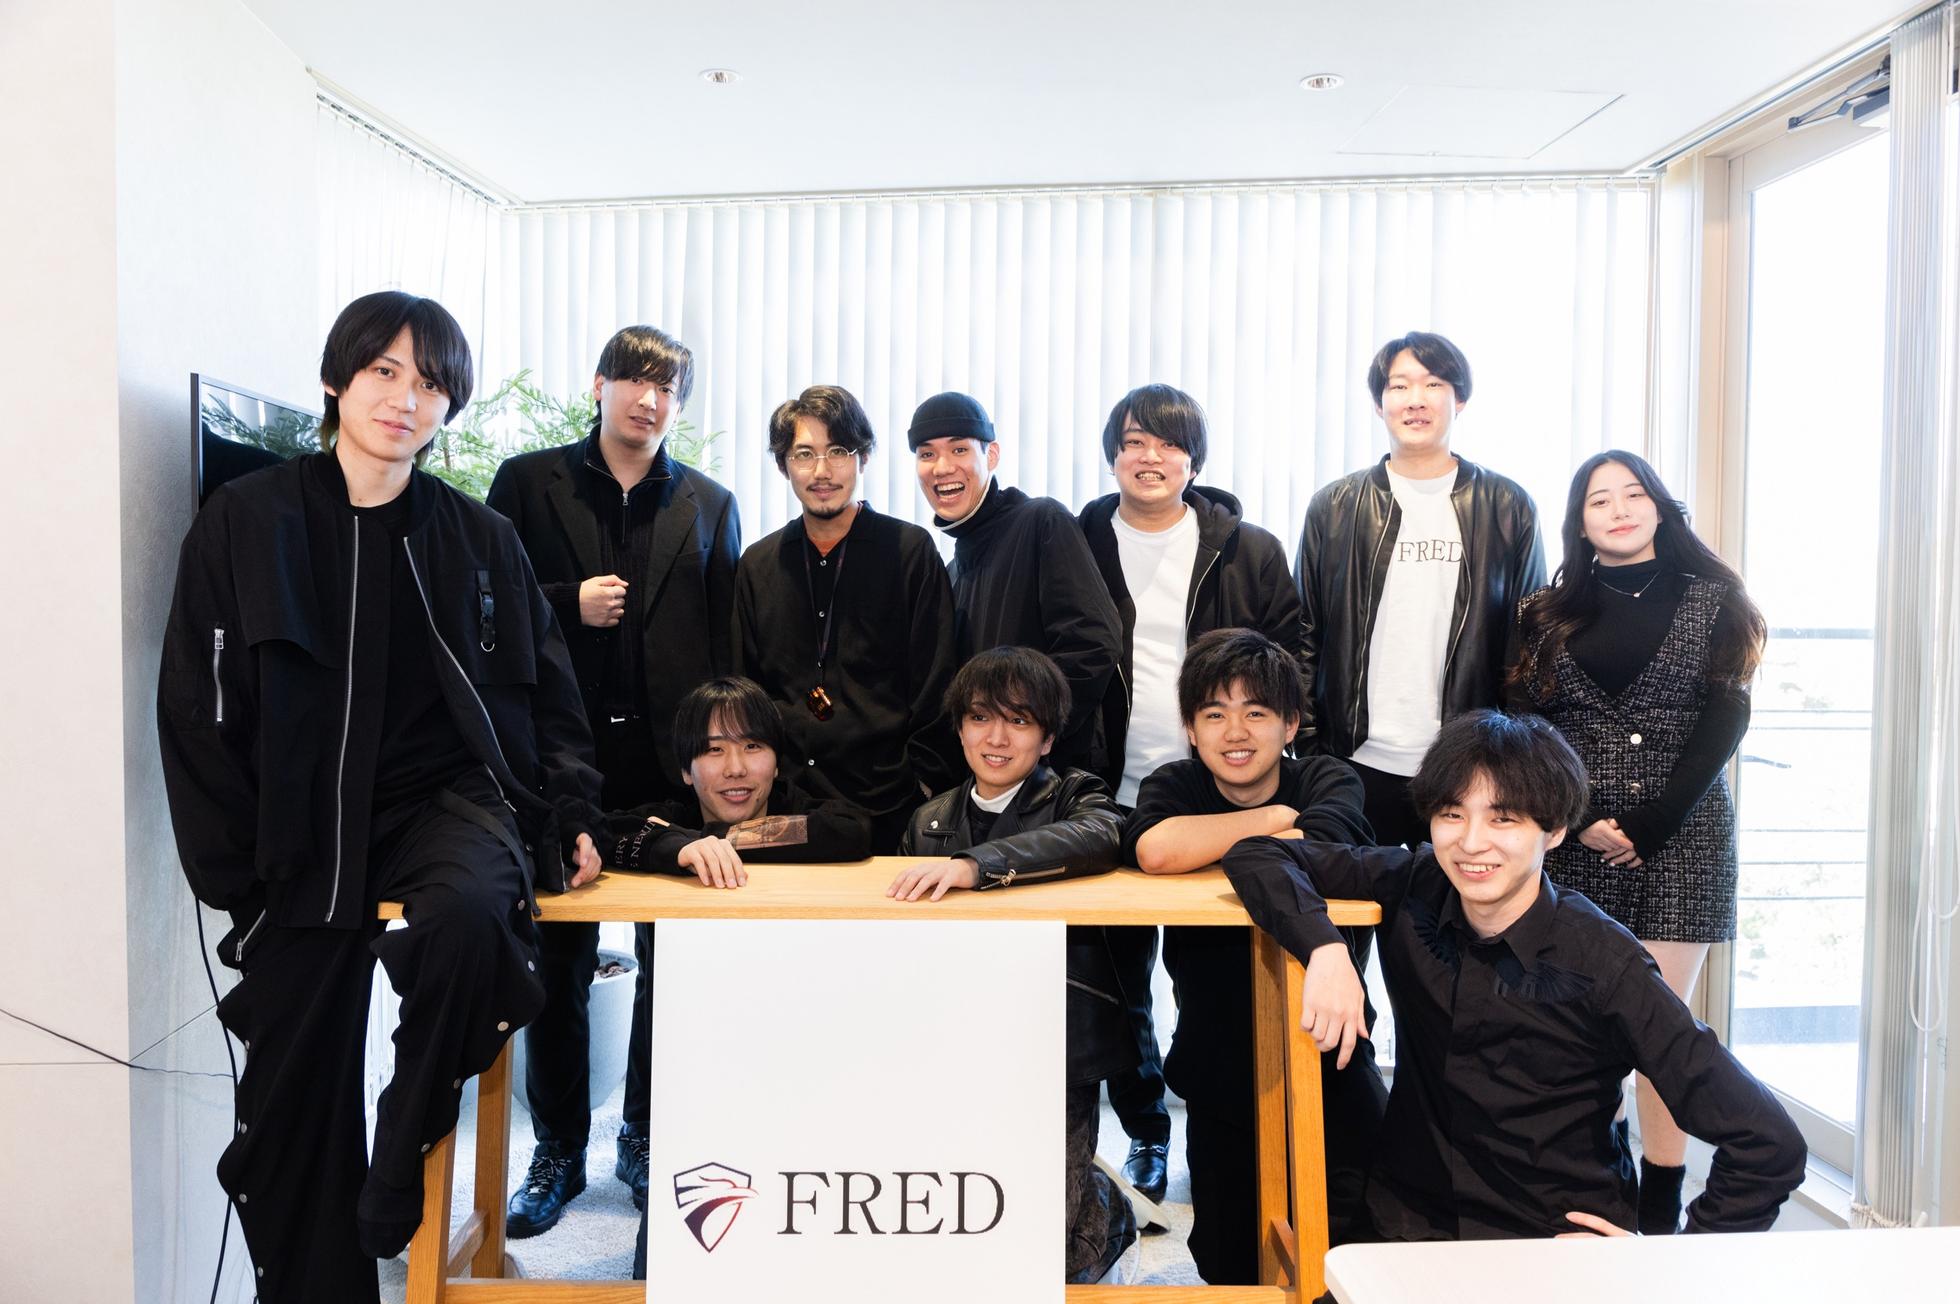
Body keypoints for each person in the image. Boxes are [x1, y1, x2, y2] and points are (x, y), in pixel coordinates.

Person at [157, 291, 605, 1303]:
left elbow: (549, 696)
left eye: (431, 382)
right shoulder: (247, 521)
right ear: (337, 380)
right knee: (290, 1119)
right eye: (385, 372)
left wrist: (573, 811)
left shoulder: (479, 537)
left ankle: (403, 1139)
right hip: (299, 835)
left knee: (474, 921)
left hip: (440, 806)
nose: (407, 398)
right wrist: (236, 873)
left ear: (450, 404)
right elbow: (195, 703)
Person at [1221, 710, 1804, 1242]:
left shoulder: (1606, 962)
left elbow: (1768, 1145)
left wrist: (1664, 1265)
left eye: (1503, 819)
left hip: (1550, 1242)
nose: (1471, 843)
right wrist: (1326, 949)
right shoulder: (1418, 882)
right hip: (1408, 1226)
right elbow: (1258, 854)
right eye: (1452, 814)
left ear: (1554, 831)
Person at [487, 325, 741, 1233]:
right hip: (558, 761)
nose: (649, 399)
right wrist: (568, 604)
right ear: (600, 385)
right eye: (634, 379)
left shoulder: (710, 502)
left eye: (667, 387)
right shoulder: (527, 483)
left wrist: (723, 767)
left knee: (674, 961)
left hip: (669, 770)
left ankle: (645, 1135)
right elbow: (485, 607)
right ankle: (558, 1148)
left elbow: (726, 647)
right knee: (559, 957)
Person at [1505, 450, 1767, 1234]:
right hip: (1574, 836)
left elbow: (1727, 715)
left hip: (1683, 838)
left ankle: (1660, 1204)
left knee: (1662, 1029)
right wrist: (1578, 811)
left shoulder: (1715, 598)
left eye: (1633, 494)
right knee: (1585, 1027)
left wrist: (1654, 823)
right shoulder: (1544, 612)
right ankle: (1599, 1187)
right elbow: (1526, 720)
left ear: (1659, 506)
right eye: (1599, 500)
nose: (1618, 509)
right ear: (1580, 522)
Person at [1077, 383, 1305, 1203]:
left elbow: (1292, 657)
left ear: (1194, 461)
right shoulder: (1077, 541)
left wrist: (1277, 758)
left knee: (1207, 975)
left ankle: (1235, 1134)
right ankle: (1145, 1131)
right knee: (1118, 978)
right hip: (1106, 786)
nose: (1150, 457)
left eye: (1169, 443)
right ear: (1114, 455)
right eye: (1134, 441)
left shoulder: (1249, 550)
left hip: (1217, 794)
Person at [1122, 629, 1376, 1284]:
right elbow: (1156, 849)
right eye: (1214, 714)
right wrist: (1272, 820)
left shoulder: (1328, 776)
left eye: (1256, 711)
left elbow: (1323, 849)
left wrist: (1217, 842)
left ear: (1290, 723)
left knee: (1357, 1244)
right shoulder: (1174, 784)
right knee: (1227, 1260)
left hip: (1330, 1051)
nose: (1235, 732)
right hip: (1217, 1059)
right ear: (1190, 728)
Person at [605, 675, 873, 1279]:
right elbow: (605, 829)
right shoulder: (668, 818)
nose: (735, 768)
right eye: (713, 750)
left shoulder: (800, 807)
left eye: (753, 747)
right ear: (685, 769)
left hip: (806, 1058)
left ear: (776, 761)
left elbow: (851, 829)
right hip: (694, 1072)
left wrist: (718, 841)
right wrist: (675, 846)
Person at [887, 647, 1138, 1284]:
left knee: (1048, 1250)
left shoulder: (1077, 794)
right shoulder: (928, 819)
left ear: (1048, 737)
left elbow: (1101, 835)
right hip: (951, 1045)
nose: (996, 738)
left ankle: (1107, 1212)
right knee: (954, 1215)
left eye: (1019, 721)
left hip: (1056, 1047)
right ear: (960, 729)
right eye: (980, 718)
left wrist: (976, 867)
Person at [1293, 330, 1544, 846]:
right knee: (1349, 897)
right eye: (1399, 385)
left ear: (1460, 399)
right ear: (1379, 403)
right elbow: (1304, 634)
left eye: (1433, 384)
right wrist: (1313, 747)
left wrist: (1510, 754)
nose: (1415, 399)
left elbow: (1529, 641)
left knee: (1455, 899)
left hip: (1468, 764)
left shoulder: (1506, 505)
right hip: (1353, 761)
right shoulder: (1335, 506)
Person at [734, 385, 960, 850]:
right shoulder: (758, 564)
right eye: (804, 454)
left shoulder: (909, 552)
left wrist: (921, 785)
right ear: (783, 465)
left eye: (838, 451)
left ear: (864, 457)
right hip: (785, 808)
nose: (822, 471)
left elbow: (937, 680)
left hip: (888, 807)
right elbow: (746, 688)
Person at [910, 390, 1123, 776]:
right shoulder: (952, 571)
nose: (942, 467)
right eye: (927, 454)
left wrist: (1026, 735)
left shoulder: (1041, 521)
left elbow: (1094, 644)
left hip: (1051, 781)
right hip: (983, 784)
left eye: (959, 450)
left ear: (991, 455)